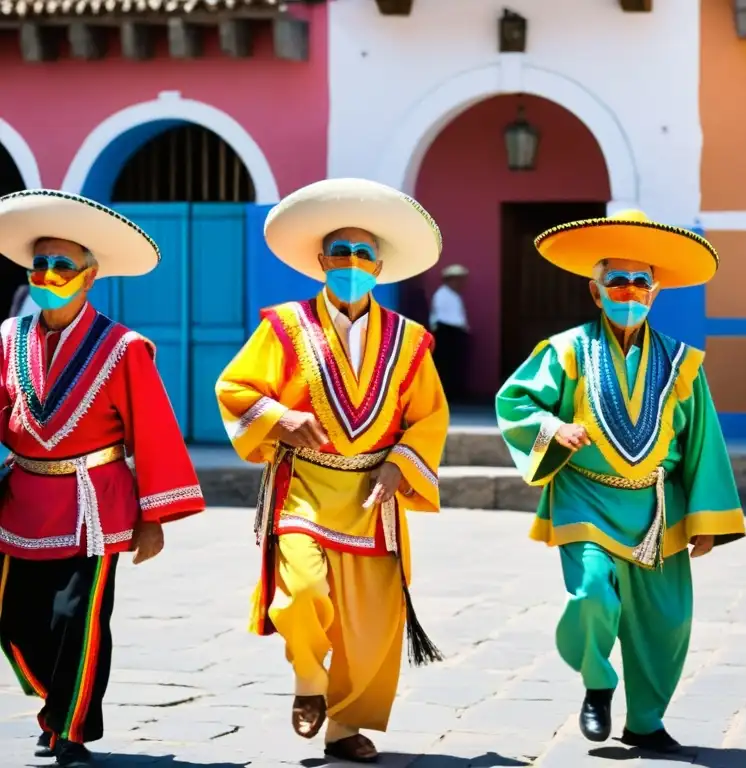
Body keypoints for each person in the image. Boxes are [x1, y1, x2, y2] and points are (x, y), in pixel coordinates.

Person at [215, 178, 449, 765]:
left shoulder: (411, 340)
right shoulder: (284, 326)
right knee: (299, 595)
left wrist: (400, 465)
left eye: (362, 254)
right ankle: (307, 681)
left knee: (368, 625)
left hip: (374, 494)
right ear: (320, 262)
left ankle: (344, 728)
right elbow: (236, 386)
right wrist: (281, 418)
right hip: (305, 487)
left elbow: (429, 416)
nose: (350, 264)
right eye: (339, 254)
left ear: (380, 265)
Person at [495, 210, 746, 754]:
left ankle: (646, 722)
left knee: (668, 620)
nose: (629, 292)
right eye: (617, 282)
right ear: (596, 290)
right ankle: (597, 682)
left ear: (655, 292)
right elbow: (515, 401)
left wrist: (707, 520)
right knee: (590, 595)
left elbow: (703, 441)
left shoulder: (683, 363)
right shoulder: (565, 350)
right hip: (585, 495)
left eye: (640, 283)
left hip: (659, 507)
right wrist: (553, 427)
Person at [0, 190, 206, 767]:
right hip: (20, 501)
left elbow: (155, 434)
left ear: (90, 278)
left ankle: (71, 729)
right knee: (11, 619)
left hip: (95, 505)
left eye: (63, 266)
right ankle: (57, 700)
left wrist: (154, 518)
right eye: (39, 264)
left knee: (76, 618)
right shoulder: (8, 338)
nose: (49, 275)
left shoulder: (124, 348)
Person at [429, 264, 470, 403]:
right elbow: (448, 318)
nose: (461, 283)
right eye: (458, 279)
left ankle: (452, 393)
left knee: (453, 365)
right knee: (446, 365)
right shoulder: (443, 295)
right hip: (446, 331)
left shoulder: (452, 295)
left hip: (452, 332)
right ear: (450, 280)